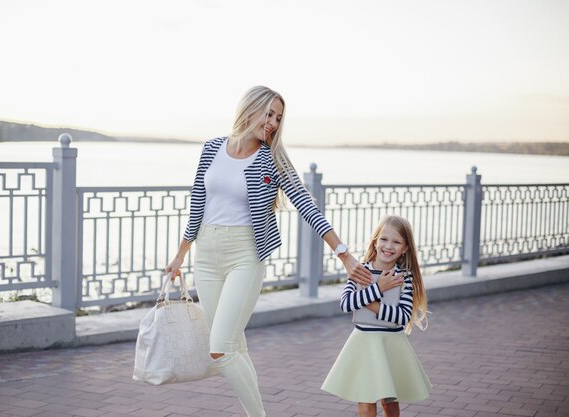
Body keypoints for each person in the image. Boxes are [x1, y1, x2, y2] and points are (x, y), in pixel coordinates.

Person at [165, 85, 372, 417]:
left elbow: (305, 202)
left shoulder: (271, 157)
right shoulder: (212, 148)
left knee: (219, 350)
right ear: (250, 109)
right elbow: (198, 204)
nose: (273, 123)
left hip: (245, 255)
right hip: (206, 257)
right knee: (235, 346)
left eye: (278, 117)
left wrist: (343, 253)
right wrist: (180, 254)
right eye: (269, 114)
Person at [321, 215, 432, 417]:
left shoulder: (404, 277)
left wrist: (369, 300)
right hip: (364, 343)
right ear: (375, 241)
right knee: (365, 400)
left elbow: (402, 317)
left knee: (389, 402)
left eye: (397, 242)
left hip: (391, 344)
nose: (388, 246)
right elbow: (346, 304)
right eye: (384, 239)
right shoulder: (358, 270)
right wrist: (379, 287)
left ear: (405, 248)